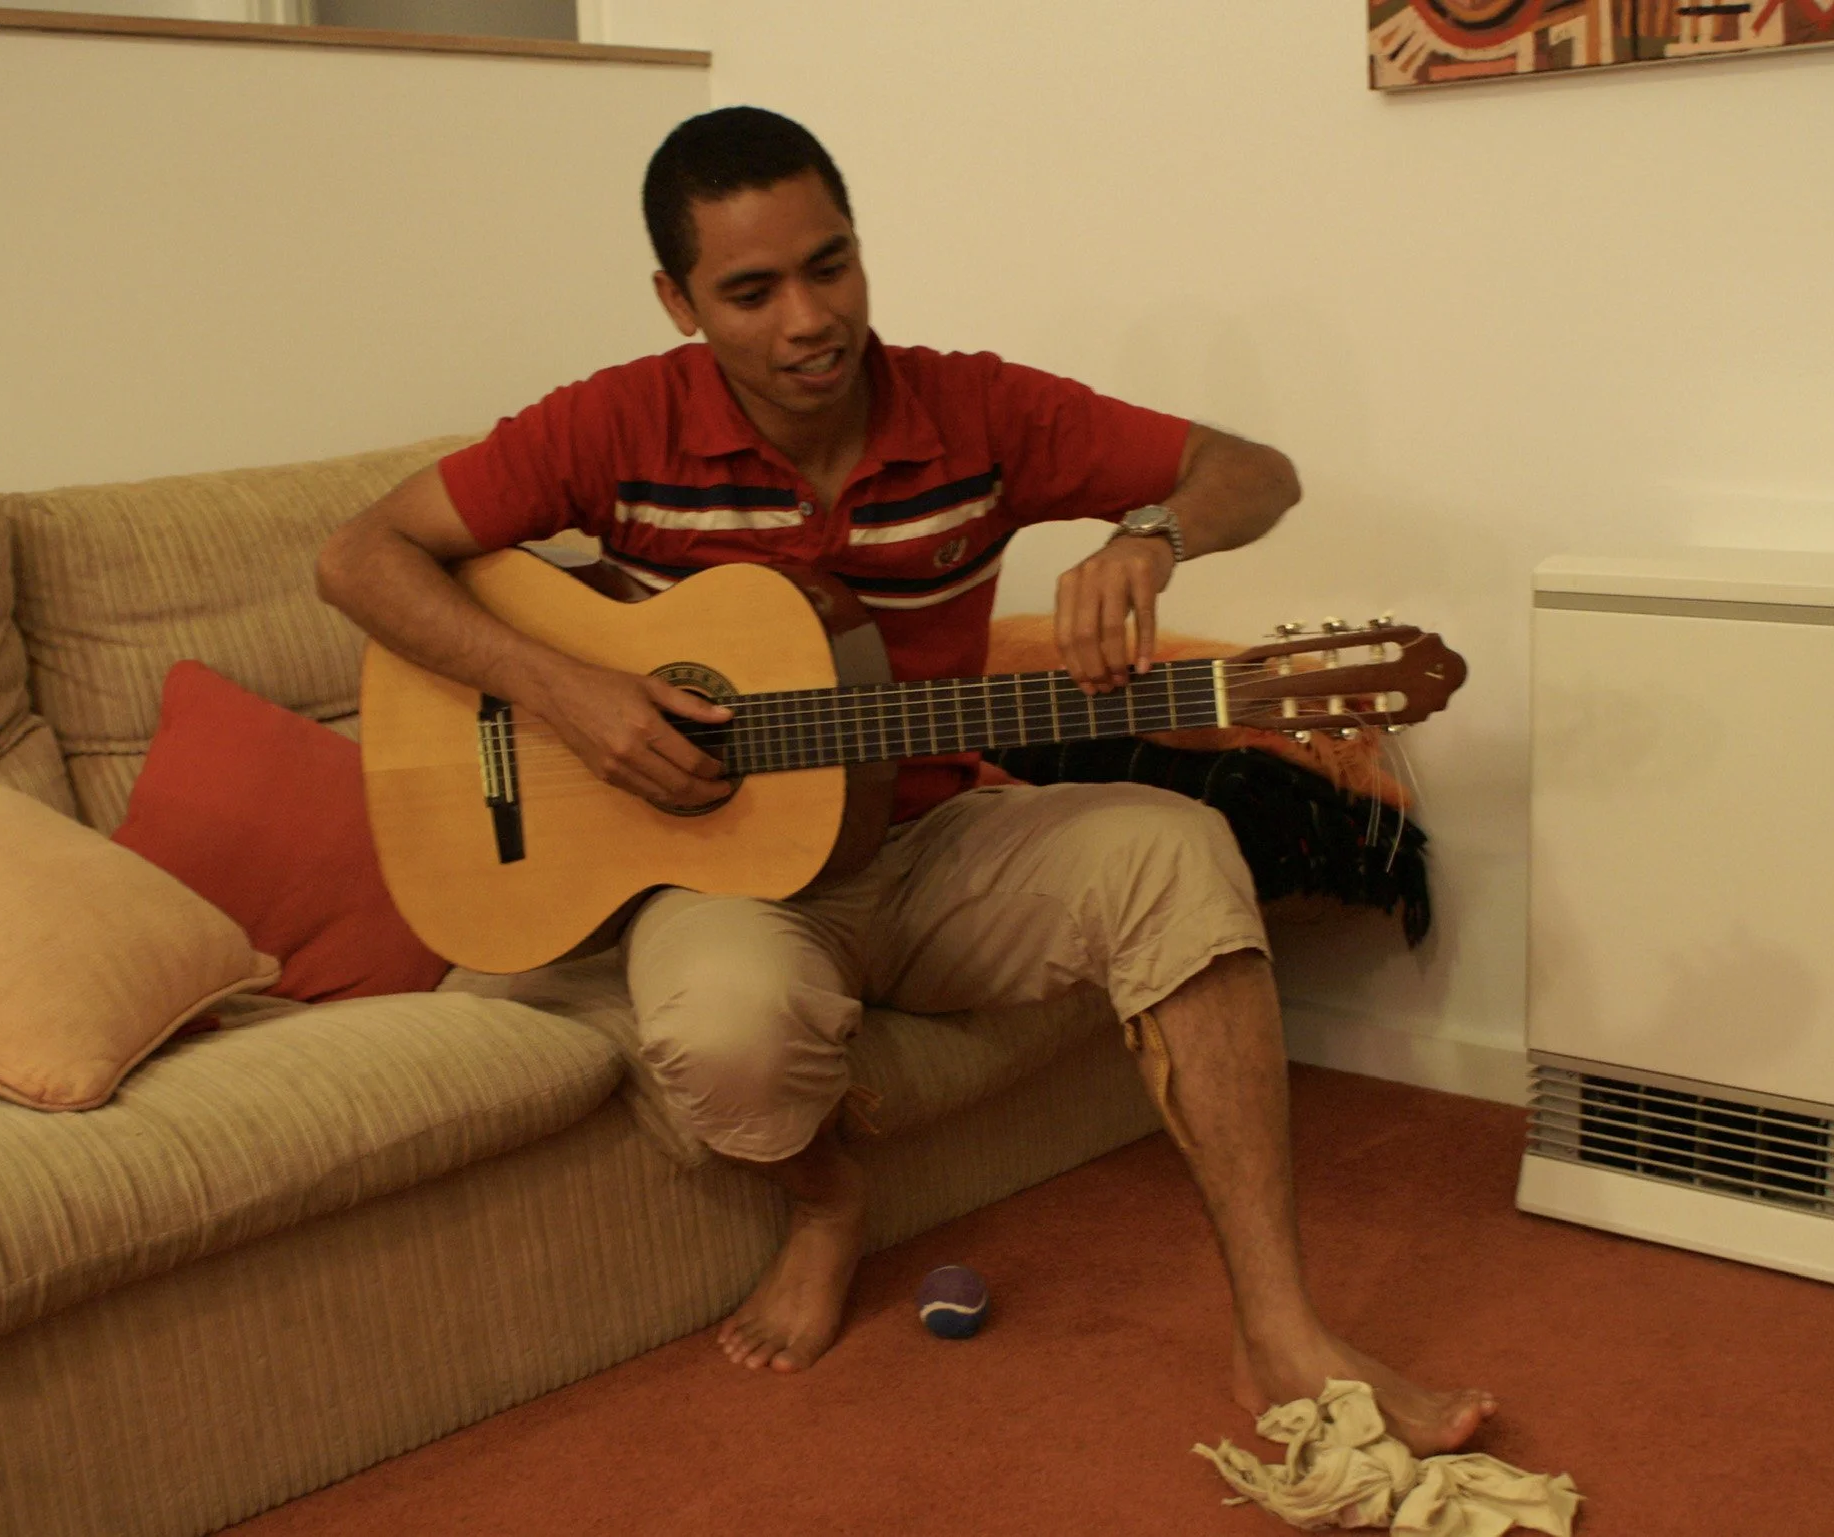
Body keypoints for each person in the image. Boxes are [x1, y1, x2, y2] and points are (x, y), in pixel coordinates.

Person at [317, 106, 1494, 1455]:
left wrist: (1151, 535)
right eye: (751, 292)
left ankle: (1279, 1330)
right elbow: (360, 558)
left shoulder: (976, 409)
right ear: (677, 301)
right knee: (724, 1034)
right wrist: (560, 687)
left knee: (1180, 851)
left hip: (937, 842)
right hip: (725, 877)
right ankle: (824, 1202)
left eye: (832, 266)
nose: (808, 318)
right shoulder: (612, 421)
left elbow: (1255, 474)